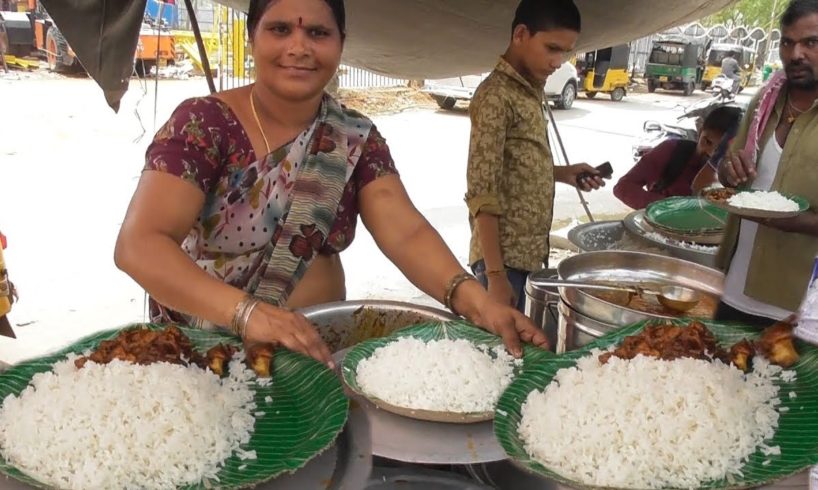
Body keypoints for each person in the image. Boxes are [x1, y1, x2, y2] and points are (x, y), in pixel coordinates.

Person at [114, 0, 548, 367]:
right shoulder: (203, 125)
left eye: (319, 33)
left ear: (341, 44)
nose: (298, 47)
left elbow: (406, 231)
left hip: (313, 356)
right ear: (252, 38)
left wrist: (476, 301)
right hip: (203, 359)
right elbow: (140, 244)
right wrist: (248, 314)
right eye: (280, 29)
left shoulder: (354, 137)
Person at [465, 0, 606, 312]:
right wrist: (496, 277)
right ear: (520, 34)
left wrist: (564, 173)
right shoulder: (495, 96)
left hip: (528, 257)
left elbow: (516, 163)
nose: (558, 62)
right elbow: (481, 194)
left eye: (565, 52)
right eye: (551, 48)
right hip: (502, 263)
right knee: (503, 355)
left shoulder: (529, 89)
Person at [716, 0, 818, 327]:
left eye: (811, 43)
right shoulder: (766, 100)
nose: (795, 54)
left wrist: (801, 223)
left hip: (798, 309)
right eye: (787, 42)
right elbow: (729, 172)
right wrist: (728, 171)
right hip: (734, 289)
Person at [613, 105, 743, 210]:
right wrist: (664, 207)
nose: (710, 153)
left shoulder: (736, 172)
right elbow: (623, 186)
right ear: (699, 131)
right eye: (707, 142)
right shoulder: (670, 150)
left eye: (720, 150)